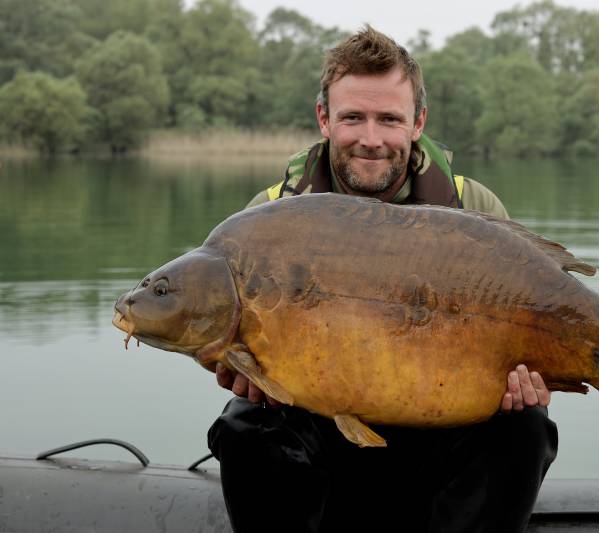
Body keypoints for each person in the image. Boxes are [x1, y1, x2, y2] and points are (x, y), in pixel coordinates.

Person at [208, 26, 557, 533]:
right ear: (324, 119)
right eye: (353, 117)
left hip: (439, 427)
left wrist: (529, 378)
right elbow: (238, 346)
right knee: (244, 424)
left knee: (525, 426)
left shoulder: (473, 209)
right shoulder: (269, 218)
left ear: (418, 123)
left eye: (389, 119)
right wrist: (241, 370)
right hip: (321, 430)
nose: (371, 139)